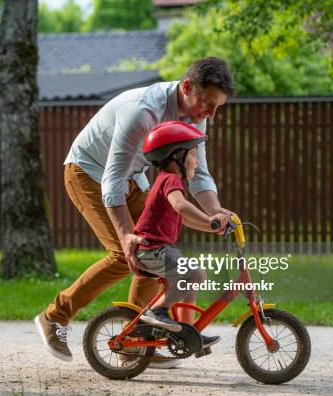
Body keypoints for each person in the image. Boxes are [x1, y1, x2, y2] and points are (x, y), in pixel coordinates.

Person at [35, 57, 235, 366]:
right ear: (186, 87)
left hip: (133, 177)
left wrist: (216, 211)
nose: (210, 112)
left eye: (217, 106)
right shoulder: (144, 110)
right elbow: (112, 178)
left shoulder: (198, 113)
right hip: (89, 171)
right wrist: (127, 234)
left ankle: (138, 338)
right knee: (124, 253)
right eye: (208, 102)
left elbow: (199, 174)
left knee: (156, 248)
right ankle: (54, 316)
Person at [135, 121, 229, 342]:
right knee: (194, 274)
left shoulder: (169, 180)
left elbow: (184, 218)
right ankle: (157, 311)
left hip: (159, 249)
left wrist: (211, 226)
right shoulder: (170, 180)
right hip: (152, 249)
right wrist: (209, 218)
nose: (196, 161)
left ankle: (188, 332)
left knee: (193, 275)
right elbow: (181, 206)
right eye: (194, 154)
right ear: (177, 156)